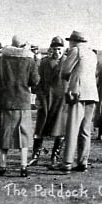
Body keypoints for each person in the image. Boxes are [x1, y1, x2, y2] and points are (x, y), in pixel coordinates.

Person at [51, 31, 98, 174]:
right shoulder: (92, 54)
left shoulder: (75, 51)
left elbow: (65, 71)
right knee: (85, 130)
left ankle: (67, 163)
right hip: (92, 94)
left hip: (77, 93)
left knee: (72, 129)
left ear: (74, 41)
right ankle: (83, 162)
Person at [0, 36, 39, 177]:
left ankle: (2, 165)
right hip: (22, 102)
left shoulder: (2, 59)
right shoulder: (29, 61)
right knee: (23, 134)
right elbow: (35, 81)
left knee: (4, 134)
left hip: (5, 101)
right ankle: (23, 166)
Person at [28, 36, 67, 167]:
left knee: (59, 129)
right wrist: (38, 97)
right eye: (55, 49)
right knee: (40, 128)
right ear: (51, 49)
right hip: (45, 99)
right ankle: (35, 155)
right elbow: (37, 81)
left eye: (59, 49)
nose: (57, 52)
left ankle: (55, 156)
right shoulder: (44, 62)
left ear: (63, 49)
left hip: (61, 100)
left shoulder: (68, 62)